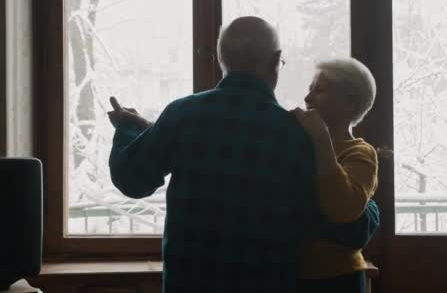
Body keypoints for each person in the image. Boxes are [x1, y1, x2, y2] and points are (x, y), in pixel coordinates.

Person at [107, 16, 378, 293]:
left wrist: (127, 129)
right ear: (276, 60)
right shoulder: (295, 135)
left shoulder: (182, 115)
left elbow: (132, 179)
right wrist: (372, 210)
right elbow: (339, 222)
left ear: (222, 60)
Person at [293, 57, 379, 293]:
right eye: (310, 89)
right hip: (289, 273)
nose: (307, 98)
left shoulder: (361, 153)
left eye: (319, 91)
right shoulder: (297, 145)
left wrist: (322, 138)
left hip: (338, 277)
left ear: (349, 104)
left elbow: (342, 209)